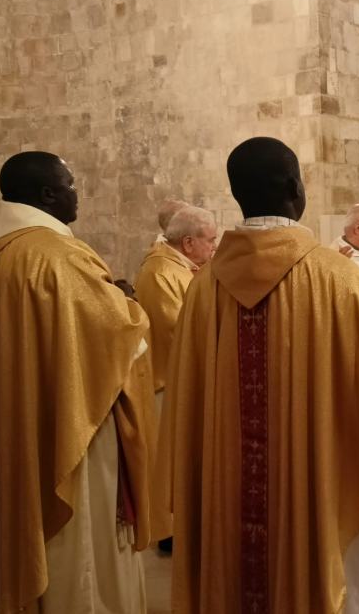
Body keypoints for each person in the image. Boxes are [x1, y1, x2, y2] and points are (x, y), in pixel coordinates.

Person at [163, 137, 359, 613]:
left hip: (229, 496)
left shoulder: (203, 290)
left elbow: (187, 414)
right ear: (294, 187)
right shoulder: (340, 281)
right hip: (322, 496)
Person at [0, 151, 158, 613]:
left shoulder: (5, 252)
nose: (75, 193)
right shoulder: (58, 256)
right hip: (76, 428)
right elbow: (117, 338)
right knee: (83, 551)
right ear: (47, 194)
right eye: (70, 184)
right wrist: (126, 302)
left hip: (20, 417)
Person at [135, 204, 216, 553]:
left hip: (185, 380)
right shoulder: (159, 271)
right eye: (210, 241)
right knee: (174, 459)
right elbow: (177, 327)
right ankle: (170, 530)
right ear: (187, 243)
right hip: (168, 381)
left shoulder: (185, 267)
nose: (214, 247)